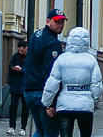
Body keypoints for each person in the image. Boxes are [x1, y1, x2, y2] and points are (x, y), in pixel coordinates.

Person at [41, 27, 102, 137]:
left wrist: (47, 102)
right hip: (85, 104)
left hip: (65, 103)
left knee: (65, 134)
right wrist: (95, 101)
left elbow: (52, 83)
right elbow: (96, 85)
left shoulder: (62, 59)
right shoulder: (91, 60)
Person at [23, 8, 67, 137]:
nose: (60, 25)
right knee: (50, 132)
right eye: (57, 22)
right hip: (42, 91)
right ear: (48, 21)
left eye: (62, 22)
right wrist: (51, 103)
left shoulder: (36, 35)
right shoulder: (53, 43)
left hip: (29, 90)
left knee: (40, 131)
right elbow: (51, 74)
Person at [6, 42, 29, 136]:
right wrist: (13, 68)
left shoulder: (30, 57)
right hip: (15, 85)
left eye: (21, 50)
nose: (20, 52)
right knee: (13, 106)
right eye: (18, 50)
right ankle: (12, 127)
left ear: (26, 48)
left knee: (25, 108)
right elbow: (9, 68)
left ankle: (23, 128)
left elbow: (31, 70)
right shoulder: (15, 56)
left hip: (25, 85)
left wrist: (22, 70)